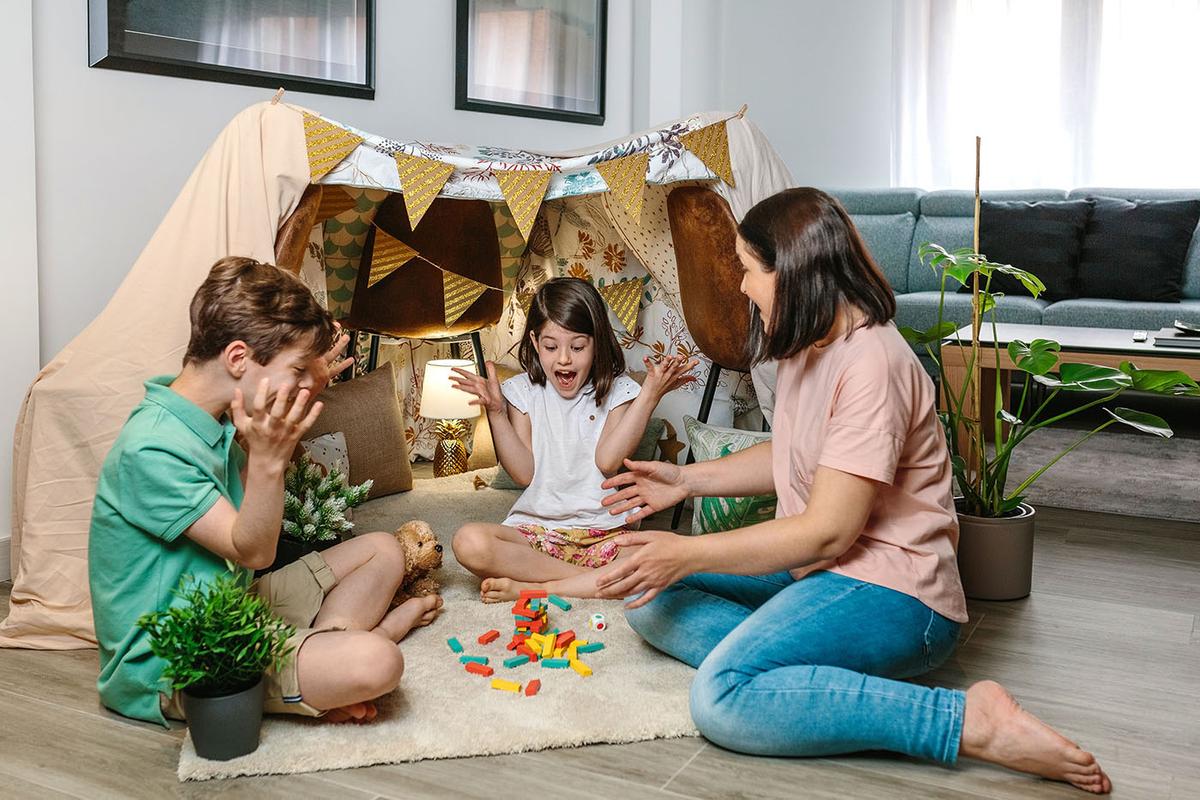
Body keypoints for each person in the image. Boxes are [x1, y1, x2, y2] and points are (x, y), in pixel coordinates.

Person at [596, 188, 1111, 794]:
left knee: (721, 697)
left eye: (748, 270)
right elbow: (797, 456)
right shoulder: (805, 344)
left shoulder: (872, 362)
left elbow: (828, 529)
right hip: (818, 574)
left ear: (791, 275)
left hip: (898, 594)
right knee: (651, 599)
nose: (741, 287)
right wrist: (684, 481)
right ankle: (804, 673)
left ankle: (968, 720)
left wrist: (687, 551)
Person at [89, 256, 442, 728]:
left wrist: (298, 402)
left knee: (382, 549)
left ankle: (319, 655)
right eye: (295, 368)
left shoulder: (213, 419)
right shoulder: (151, 448)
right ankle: (362, 643)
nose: (301, 383)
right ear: (239, 358)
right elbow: (253, 549)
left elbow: (260, 514)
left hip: (233, 607)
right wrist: (267, 457)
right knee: (378, 663)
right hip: (177, 662)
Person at [451, 277, 696, 602]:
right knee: (468, 542)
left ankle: (537, 586)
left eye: (578, 347)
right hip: (536, 531)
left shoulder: (620, 390)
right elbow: (524, 474)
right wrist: (496, 412)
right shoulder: (522, 391)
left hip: (604, 532)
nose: (564, 359)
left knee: (658, 559)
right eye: (551, 347)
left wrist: (649, 395)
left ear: (597, 343)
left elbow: (608, 461)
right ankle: (593, 583)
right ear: (536, 342)